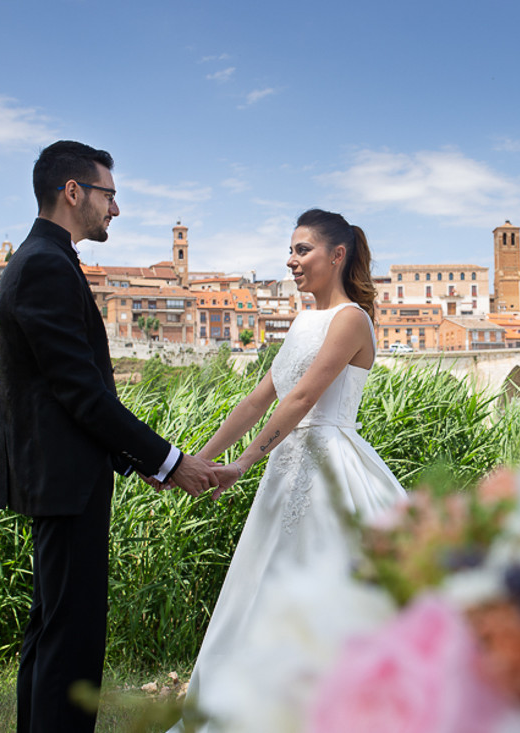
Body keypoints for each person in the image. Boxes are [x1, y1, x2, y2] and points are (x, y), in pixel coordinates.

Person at [0, 140, 220, 732]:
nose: (115, 209)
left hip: (59, 474)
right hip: (63, 480)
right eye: (109, 195)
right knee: (73, 640)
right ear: (73, 192)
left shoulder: (46, 258)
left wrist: (129, 456)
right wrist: (170, 461)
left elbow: (69, 392)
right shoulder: (45, 264)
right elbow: (82, 393)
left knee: (53, 629)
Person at [169, 209, 407, 731]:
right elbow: (259, 399)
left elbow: (302, 398)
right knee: (267, 581)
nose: (291, 260)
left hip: (330, 464)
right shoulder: (302, 321)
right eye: (291, 249)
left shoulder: (351, 320)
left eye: (303, 250)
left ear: (337, 256)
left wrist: (245, 463)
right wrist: (202, 459)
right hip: (288, 469)